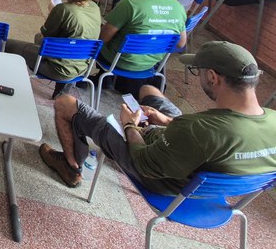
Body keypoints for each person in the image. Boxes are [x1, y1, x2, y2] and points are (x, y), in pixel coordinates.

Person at [39, 41, 276, 191]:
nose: (199, 76)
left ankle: (71, 167)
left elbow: (144, 163)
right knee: (150, 91)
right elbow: (208, 139)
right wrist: (167, 122)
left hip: (160, 178)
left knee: (65, 103)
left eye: (199, 72)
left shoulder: (199, 128)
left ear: (213, 77)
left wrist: (130, 126)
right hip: (206, 182)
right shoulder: (271, 119)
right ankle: (150, 121)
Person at [6, 0, 102, 97]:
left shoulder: (63, 9)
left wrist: (53, 12)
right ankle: (60, 93)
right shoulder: (94, 7)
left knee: (8, 44)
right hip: (82, 67)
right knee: (70, 46)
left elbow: (45, 36)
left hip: (56, 68)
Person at [99, 0, 186, 93]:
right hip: (151, 64)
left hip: (119, 61)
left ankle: (101, 79)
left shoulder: (129, 4)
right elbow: (181, 43)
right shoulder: (178, 7)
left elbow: (103, 38)